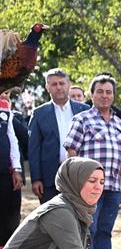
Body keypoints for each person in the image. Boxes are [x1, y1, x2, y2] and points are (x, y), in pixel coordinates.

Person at [64, 74, 121, 249]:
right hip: (88, 186)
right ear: (91, 95)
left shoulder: (119, 124)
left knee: (105, 229)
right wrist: (76, 182)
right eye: (100, 92)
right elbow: (71, 151)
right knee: (88, 230)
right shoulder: (82, 119)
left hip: (112, 186)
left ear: (113, 96)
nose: (104, 96)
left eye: (108, 92)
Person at [29, 68, 91, 204]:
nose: (58, 87)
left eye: (62, 83)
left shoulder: (85, 111)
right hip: (49, 178)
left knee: (79, 220)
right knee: (51, 219)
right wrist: (36, 178)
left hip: (80, 176)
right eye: (54, 84)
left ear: (69, 85)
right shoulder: (39, 113)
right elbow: (34, 148)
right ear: (47, 87)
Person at [0, 99, 23, 245]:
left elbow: (12, 138)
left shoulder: (4, 106)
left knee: (9, 216)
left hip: (5, 171)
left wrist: (16, 168)